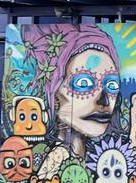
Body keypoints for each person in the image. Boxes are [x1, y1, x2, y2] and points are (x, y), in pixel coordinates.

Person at [24, 25, 122, 159]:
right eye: (83, 83)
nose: (104, 100)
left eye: (112, 84)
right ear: (54, 88)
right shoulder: (45, 162)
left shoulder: (106, 160)